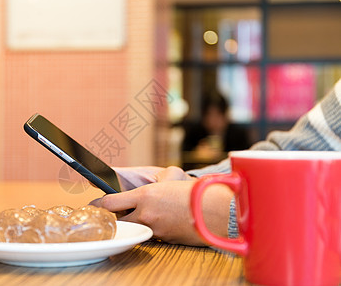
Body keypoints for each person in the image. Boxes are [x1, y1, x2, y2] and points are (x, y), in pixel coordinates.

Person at [91, 78, 341, 246]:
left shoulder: (237, 132)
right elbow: (290, 149)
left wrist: (231, 211)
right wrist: (192, 181)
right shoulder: (194, 130)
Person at [182, 91, 252, 157]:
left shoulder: (239, 135)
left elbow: (247, 157)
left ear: (226, 115)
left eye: (218, 115)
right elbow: (184, 156)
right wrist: (195, 153)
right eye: (209, 115)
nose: (213, 120)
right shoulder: (194, 133)